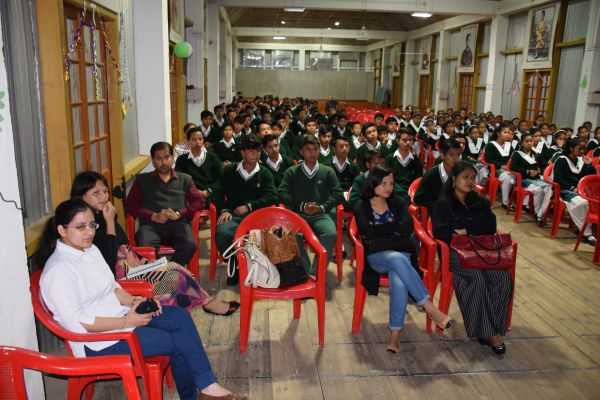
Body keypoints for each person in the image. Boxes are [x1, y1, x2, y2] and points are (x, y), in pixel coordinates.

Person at [38, 199, 245, 400]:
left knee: (179, 318)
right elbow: (78, 322)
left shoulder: (90, 250)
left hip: (122, 319)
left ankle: (207, 387)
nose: (90, 232)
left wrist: (134, 302)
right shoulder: (59, 271)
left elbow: (113, 287)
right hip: (98, 342)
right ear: (62, 231)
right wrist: (127, 322)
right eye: (80, 227)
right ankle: (198, 393)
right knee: (176, 341)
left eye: (92, 224)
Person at [70, 171, 238, 316]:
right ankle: (189, 307)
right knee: (176, 276)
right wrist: (110, 223)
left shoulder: (101, 214)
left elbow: (124, 245)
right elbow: (107, 259)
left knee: (176, 268)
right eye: (95, 193)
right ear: (81, 197)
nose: (104, 197)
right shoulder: (86, 226)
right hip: (120, 277)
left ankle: (204, 303)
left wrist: (141, 260)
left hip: (132, 265)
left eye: (105, 191)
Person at [354, 167, 452, 353]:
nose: (389, 187)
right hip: (377, 257)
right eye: (384, 183)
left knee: (398, 279)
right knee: (397, 258)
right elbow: (368, 233)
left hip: (401, 254)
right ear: (373, 183)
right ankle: (429, 307)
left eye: (391, 183)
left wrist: (383, 231)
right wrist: (393, 231)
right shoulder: (362, 205)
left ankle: (395, 337)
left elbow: (407, 228)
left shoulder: (398, 202)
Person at [431, 161, 513, 355]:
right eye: (465, 177)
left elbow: (490, 226)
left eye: (472, 177)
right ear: (454, 180)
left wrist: (465, 228)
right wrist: (468, 227)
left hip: (482, 251)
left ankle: (491, 328)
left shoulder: (479, 201)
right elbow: (441, 232)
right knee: (475, 279)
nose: (469, 181)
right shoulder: (443, 203)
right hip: (456, 254)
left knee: (502, 279)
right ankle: (489, 333)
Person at [127, 142, 205, 266]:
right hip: (150, 225)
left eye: (167, 157)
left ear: (173, 158)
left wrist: (180, 214)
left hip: (178, 224)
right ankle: (156, 272)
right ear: (153, 160)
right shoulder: (142, 180)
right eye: (159, 158)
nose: (163, 162)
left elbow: (199, 201)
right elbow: (130, 205)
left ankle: (169, 273)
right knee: (145, 248)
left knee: (189, 245)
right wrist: (153, 215)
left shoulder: (185, 179)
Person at [279, 135, 342, 269]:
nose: (312, 153)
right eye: (308, 149)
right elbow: (282, 193)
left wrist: (322, 207)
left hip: (320, 214)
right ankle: (305, 270)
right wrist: (300, 205)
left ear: (319, 151)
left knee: (330, 233)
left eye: (315, 149)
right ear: (301, 152)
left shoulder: (328, 171)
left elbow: (338, 194)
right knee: (292, 235)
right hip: (298, 214)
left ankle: (316, 271)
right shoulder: (292, 171)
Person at [214, 136, 278, 266]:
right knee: (223, 232)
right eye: (250, 150)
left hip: (258, 215)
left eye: (258, 150)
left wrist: (250, 206)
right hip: (234, 214)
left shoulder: (265, 173)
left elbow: (272, 196)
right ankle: (235, 262)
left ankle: (256, 263)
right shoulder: (229, 171)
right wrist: (224, 210)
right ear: (242, 152)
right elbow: (217, 192)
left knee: (272, 234)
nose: (255, 153)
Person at [553, 138, 597, 244]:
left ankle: (585, 229)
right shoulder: (562, 160)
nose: (582, 151)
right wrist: (573, 188)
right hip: (564, 190)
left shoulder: (581, 160)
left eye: (584, 148)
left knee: (592, 201)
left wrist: (588, 165)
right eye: (580, 148)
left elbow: (588, 177)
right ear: (571, 148)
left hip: (580, 190)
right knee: (582, 202)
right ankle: (586, 233)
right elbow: (558, 179)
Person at [509, 132, 553, 224]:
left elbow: (543, 165)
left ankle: (540, 213)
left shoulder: (535, 154)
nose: (529, 143)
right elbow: (513, 167)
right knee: (539, 190)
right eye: (527, 141)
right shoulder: (517, 154)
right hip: (523, 180)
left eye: (531, 141)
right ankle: (539, 214)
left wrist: (539, 171)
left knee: (549, 188)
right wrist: (527, 171)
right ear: (522, 143)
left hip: (535, 179)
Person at [414, 138, 462, 214]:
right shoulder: (431, 175)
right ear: (442, 155)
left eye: (458, 155)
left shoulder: (460, 173)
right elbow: (418, 199)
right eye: (451, 155)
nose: (456, 159)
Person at [174, 127, 223, 202]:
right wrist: (195, 192)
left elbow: (220, 178)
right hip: (189, 196)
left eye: (200, 139)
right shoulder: (181, 159)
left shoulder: (213, 157)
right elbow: (180, 179)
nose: (197, 142)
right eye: (194, 139)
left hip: (210, 194)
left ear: (203, 140)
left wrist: (208, 191)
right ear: (188, 141)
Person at [483, 124, 515, 208]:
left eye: (509, 132)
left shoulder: (509, 145)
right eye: (505, 132)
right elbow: (489, 160)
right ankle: (505, 202)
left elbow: (513, 158)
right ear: (498, 134)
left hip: (509, 169)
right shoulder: (491, 145)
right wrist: (501, 165)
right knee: (507, 178)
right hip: (496, 170)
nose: (508, 134)